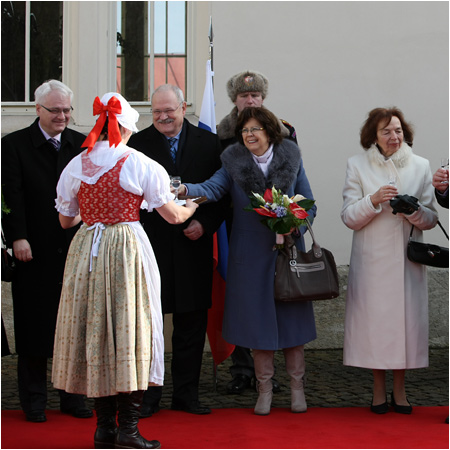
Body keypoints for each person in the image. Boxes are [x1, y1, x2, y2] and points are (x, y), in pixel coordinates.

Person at [51, 92, 198, 449]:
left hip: (87, 249)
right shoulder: (138, 162)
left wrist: (94, 212)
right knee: (132, 327)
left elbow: (65, 220)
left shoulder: (77, 163)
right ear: (127, 128)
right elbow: (172, 215)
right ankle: (128, 430)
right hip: (126, 248)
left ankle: (104, 428)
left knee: (96, 330)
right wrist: (192, 206)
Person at [180, 106, 317, 415]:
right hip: (250, 258)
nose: (249, 135)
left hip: (288, 255)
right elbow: (211, 190)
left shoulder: (291, 159)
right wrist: (186, 190)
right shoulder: (233, 163)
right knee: (257, 328)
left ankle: (298, 390)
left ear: (269, 131)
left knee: (292, 327)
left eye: (255, 129)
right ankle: (264, 391)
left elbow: (309, 202)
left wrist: (296, 221)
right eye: (244, 131)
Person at [128, 84, 227, 416]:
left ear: (184, 107)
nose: (163, 117)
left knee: (191, 326)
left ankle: (187, 396)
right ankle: (149, 398)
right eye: (156, 112)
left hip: (193, 246)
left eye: (169, 110)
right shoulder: (136, 144)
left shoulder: (209, 143)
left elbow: (222, 193)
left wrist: (207, 225)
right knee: (150, 328)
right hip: (150, 248)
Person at [1, 79, 92, 423]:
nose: (62, 116)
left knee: (76, 327)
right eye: (55, 110)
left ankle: (73, 399)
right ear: (37, 109)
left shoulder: (84, 144)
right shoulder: (13, 145)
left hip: (75, 249)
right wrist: (17, 238)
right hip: (33, 249)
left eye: (67, 109)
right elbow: (12, 196)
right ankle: (34, 401)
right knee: (34, 328)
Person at [341, 107, 438, 415]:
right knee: (376, 327)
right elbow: (348, 217)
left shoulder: (421, 165)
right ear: (374, 136)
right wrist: (373, 200)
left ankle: (401, 390)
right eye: (386, 131)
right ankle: (378, 391)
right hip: (371, 261)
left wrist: (412, 211)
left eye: (397, 130)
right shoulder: (357, 165)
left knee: (405, 326)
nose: (393, 136)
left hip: (406, 261)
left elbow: (432, 217)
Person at [217, 70, 298, 395]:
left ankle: (269, 374)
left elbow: (294, 180)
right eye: (244, 96)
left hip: (277, 232)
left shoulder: (283, 131)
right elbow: (218, 182)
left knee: (274, 301)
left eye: (255, 96)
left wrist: (293, 215)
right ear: (235, 100)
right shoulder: (222, 134)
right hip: (238, 227)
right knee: (243, 303)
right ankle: (242, 369)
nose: (250, 100)